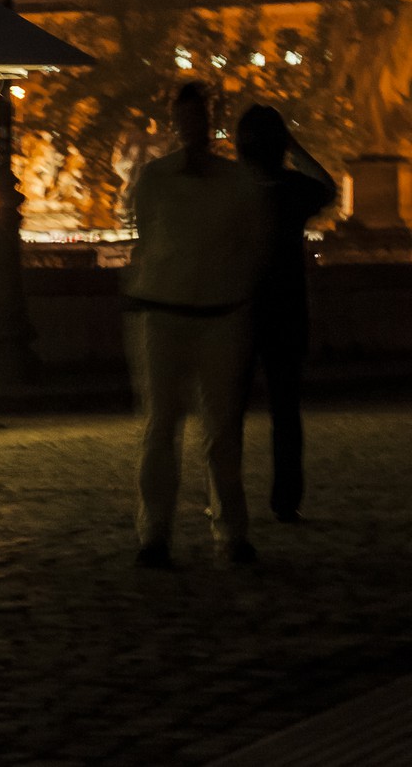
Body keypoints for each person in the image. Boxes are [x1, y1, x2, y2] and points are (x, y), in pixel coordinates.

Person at [124, 82, 268, 569]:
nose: (192, 127)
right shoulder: (232, 180)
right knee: (197, 429)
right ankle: (219, 532)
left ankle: (162, 534)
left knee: (187, 428)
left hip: (176, 309)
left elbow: (147, 237)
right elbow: (252, 243)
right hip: (209, 311)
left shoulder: (160, 178)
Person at [235, 104, 337, 523]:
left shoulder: (235, 189)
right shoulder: (294, 188)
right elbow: (327, 187)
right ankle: (286, 499)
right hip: (287, 310)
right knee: (286, 412)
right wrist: (296, 147)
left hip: (239, 310)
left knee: (229, 412)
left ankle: (226, 493)